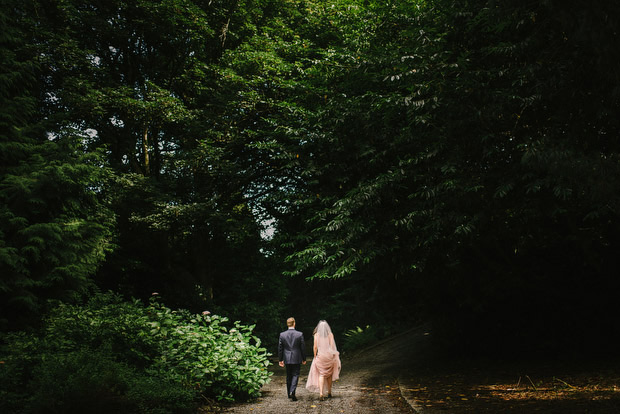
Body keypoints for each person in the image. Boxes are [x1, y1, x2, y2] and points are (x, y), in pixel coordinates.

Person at [305, 320, 341, 401]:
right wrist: (333, 355)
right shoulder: (330, 335)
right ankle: (329, 392)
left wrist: (315, 355)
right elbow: (332, 346)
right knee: (329, 374)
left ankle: (321, 393)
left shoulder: (316, 335)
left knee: (322, 374)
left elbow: (315, 347)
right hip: (329, 356)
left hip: (321, 356)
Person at [278, 317, 306, 401]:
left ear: (287, 324)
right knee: (295, 374)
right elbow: (303, 347)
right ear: (294, 323)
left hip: (286, 357)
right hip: (296, 357)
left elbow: (280, 348)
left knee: (288, 375)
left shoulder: (282, 334)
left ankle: (289, 393)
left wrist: (280, 359)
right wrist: (304, 358)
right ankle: (292, 391)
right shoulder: (299, 334)